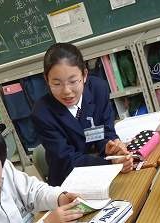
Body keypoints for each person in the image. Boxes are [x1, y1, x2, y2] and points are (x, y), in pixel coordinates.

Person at [31, 42, 134, 186]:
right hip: (70, 180)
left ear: (84, 75)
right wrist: (110, 164)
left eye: (73, 81)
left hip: (104, 166)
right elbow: (66, 160)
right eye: (57, 84)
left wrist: (111, 147)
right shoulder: (42, 113)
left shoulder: (98, 89)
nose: (66, 91)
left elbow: (106, 130)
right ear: (46, 80)